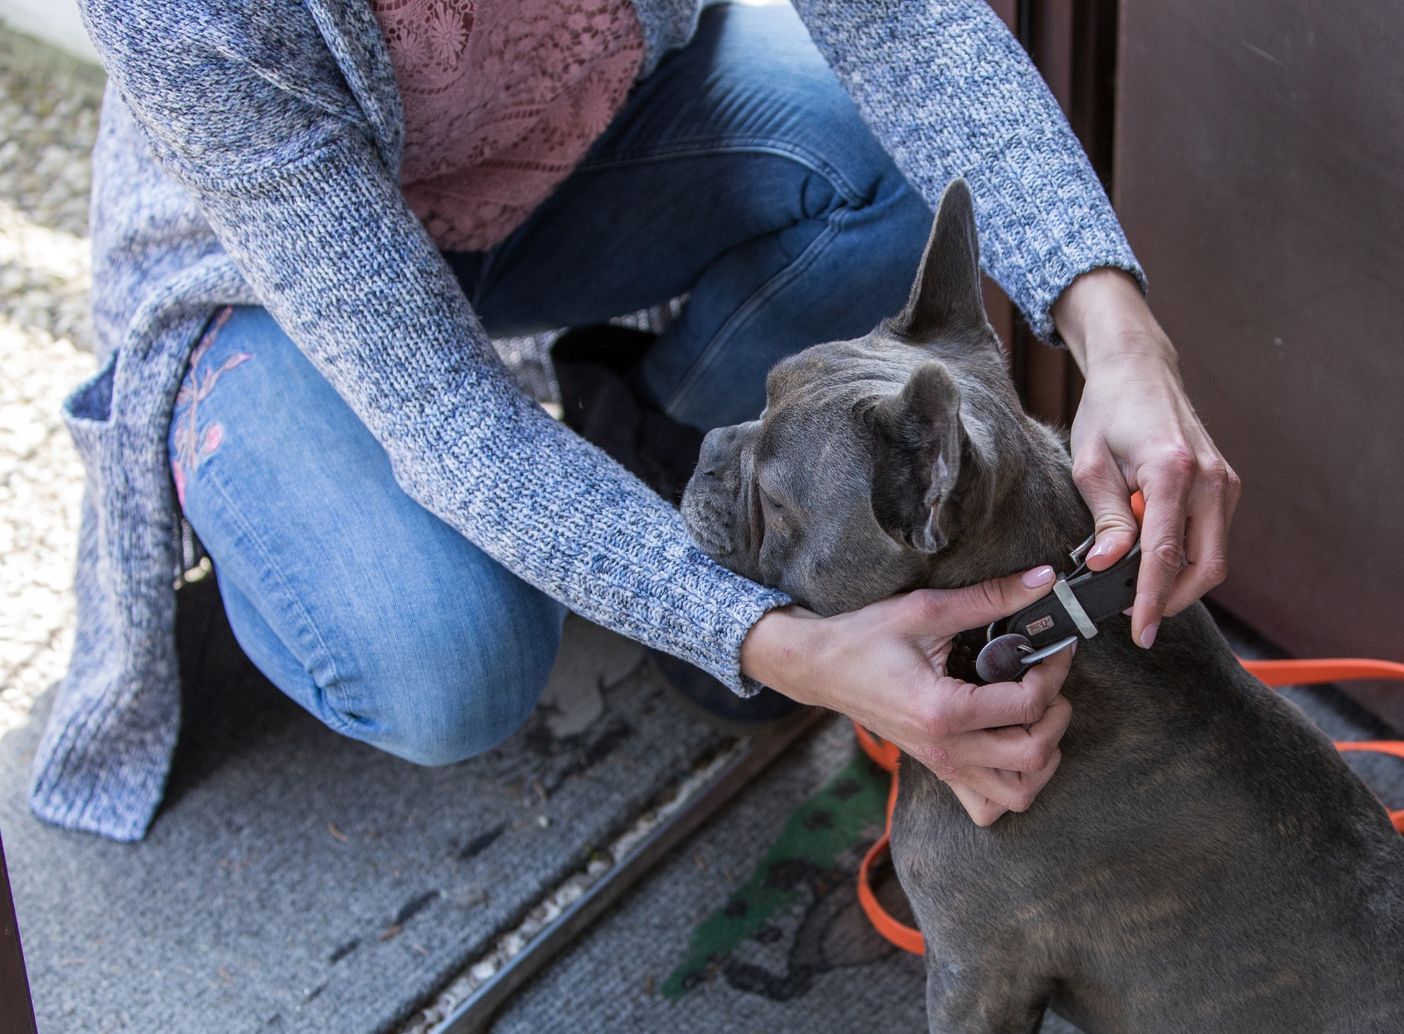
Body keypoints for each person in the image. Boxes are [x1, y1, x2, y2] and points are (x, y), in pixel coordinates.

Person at [32, 0, 1238, 842]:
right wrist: (780, 644)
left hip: (570, 163)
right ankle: (266, 488)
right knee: (447, 657)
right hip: (266, 287)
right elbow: (443, 411)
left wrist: (1119, 336)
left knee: (878, 172)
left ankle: (653, 453)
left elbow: (905, 26)